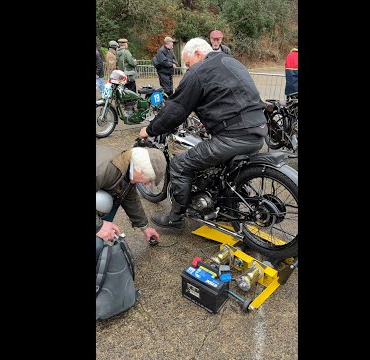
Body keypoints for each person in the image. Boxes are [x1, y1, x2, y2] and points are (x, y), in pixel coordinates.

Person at [139, 37, 267, 229]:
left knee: (180, 164)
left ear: (198, 54)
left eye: (188, 64)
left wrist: (149, 130)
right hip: (258, 130)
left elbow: (176, 110)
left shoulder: (199, 71)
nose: (188, 69)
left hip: (233, 135)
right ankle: (229, 211)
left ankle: (175, 218)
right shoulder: (231, 62)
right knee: (225, 172)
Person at [96, 145, 167, 258]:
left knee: (113, 199)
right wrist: (98, 226)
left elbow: (130, 199)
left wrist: (145, 227)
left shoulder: (128, 166)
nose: (146, 184)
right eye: (149, 180)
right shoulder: (105, 169)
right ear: (140, 170)